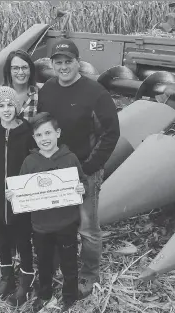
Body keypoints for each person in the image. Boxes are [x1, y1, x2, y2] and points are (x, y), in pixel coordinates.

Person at [37, 38, 120, 298]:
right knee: (55, 222)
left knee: (87, 227)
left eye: (68, 61)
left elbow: (111, 133)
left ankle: (88, 274)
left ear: (78, 63)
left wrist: (90, 167)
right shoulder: (47, 90)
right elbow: (42, 128)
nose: (63, 67)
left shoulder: (95, 93)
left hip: (85, 171)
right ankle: (51, 267)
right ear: (52, 64)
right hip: (55, 169)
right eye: (58, 62)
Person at [6, 112, 88, 312]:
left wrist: (81, 189)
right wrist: (13, 195)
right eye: (39, 135)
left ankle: (70, 295)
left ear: (58, 133)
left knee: (69, 262)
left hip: (66, 222)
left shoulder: (69, 158)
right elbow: (22, 188)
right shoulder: (30, 162)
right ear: (34, 138)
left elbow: (83, 182)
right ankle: (44, 294)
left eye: (48, 133)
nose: (45, 138)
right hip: (40, 225)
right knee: (43, 262)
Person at [0, 86, 36, 307]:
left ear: (17, 107)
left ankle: (27, 277)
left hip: (21, 199)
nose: (6, 109)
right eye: (1, 106)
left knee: (23, 239)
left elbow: (36, 166)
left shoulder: (28, 134)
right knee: (3, 238)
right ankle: (7, 277)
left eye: (10, 104)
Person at [2, 49, 38, 121]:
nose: (21, 72)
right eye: (15, 68)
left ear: (30, 69)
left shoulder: (38, 93)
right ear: (9, 70)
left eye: (24, 67)